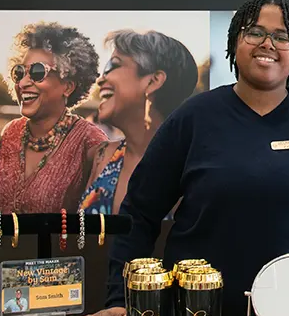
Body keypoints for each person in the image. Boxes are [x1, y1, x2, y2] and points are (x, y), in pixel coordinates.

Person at [76, 0, 289, 316]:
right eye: (254, 32)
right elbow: (139, 213)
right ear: (235, 41)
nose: (268, 44)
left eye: (282, 36)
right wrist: (121, 297)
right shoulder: (192, 119)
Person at [0, 22, 108, 214]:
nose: (23, 83)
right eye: (19, 73)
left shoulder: (90, 141)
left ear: (68, 86)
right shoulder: (11, 132)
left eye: (37, 72)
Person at [79, 29, 199, 214]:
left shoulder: (194, 168)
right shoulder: (101, 157)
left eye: (113, 66)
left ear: (153, 81)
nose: (100, 79)